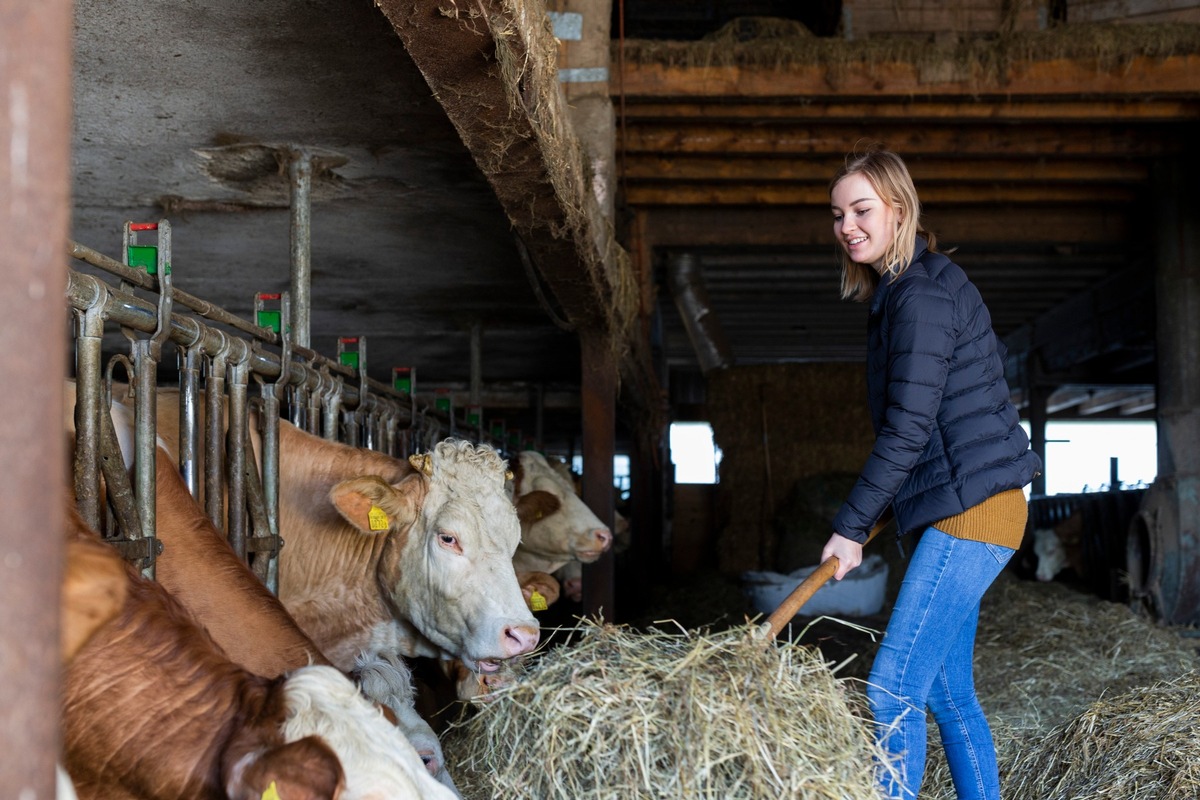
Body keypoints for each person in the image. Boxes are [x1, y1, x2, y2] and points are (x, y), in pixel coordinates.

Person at [821, 147, 1041, 800]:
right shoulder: (915, 287)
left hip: (974, 511)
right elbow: (935, 421)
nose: (847, 226)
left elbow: (908, 429)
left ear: (898, 210)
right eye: (837, 215)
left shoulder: (918, 294)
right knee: (948, 691)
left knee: (892, 689)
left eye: (862, 210)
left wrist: (851, 525)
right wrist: (877, 515)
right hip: (969, 502)